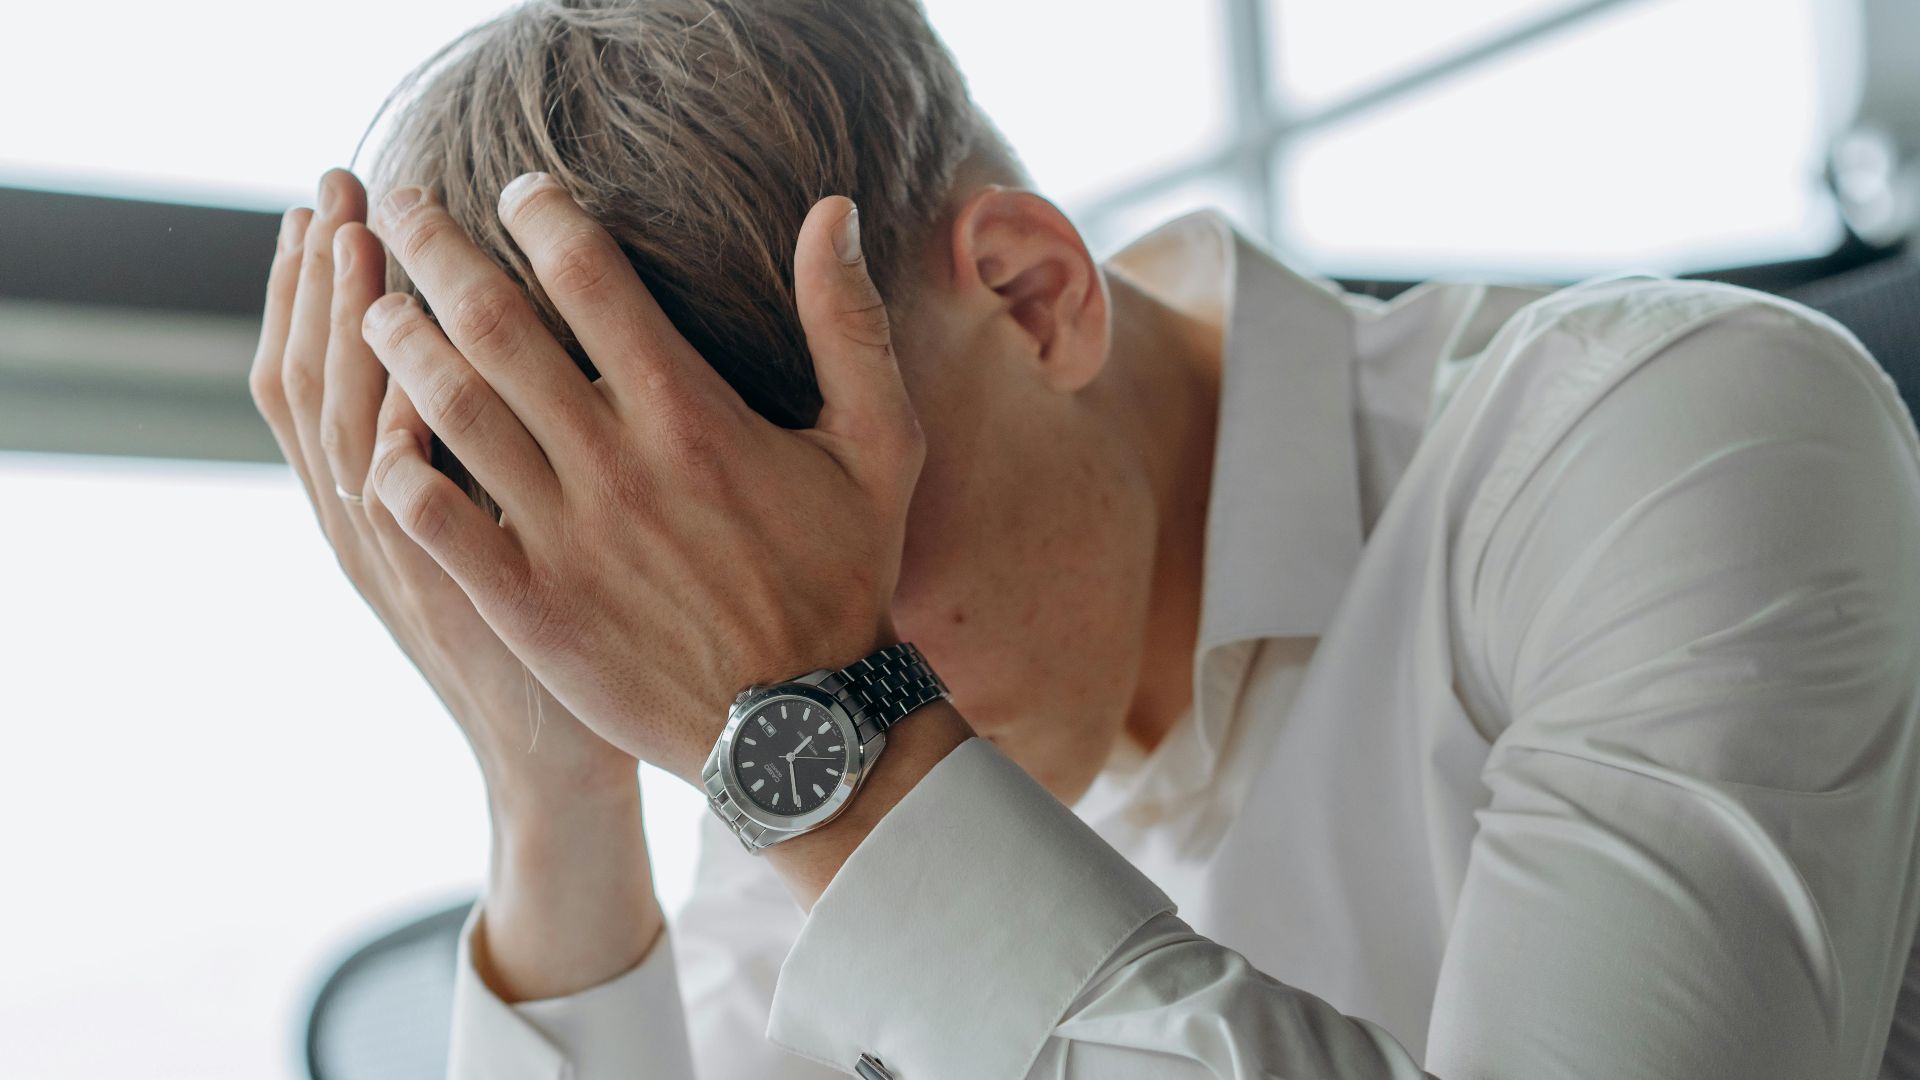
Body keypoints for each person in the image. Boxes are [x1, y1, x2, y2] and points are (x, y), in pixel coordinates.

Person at [249, 0, 1920, 1076]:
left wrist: (830, 716)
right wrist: (555, 785)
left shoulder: (1668, 435)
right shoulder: (782, 738)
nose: (750, 687)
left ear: (1029, 296)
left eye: (806, 562)